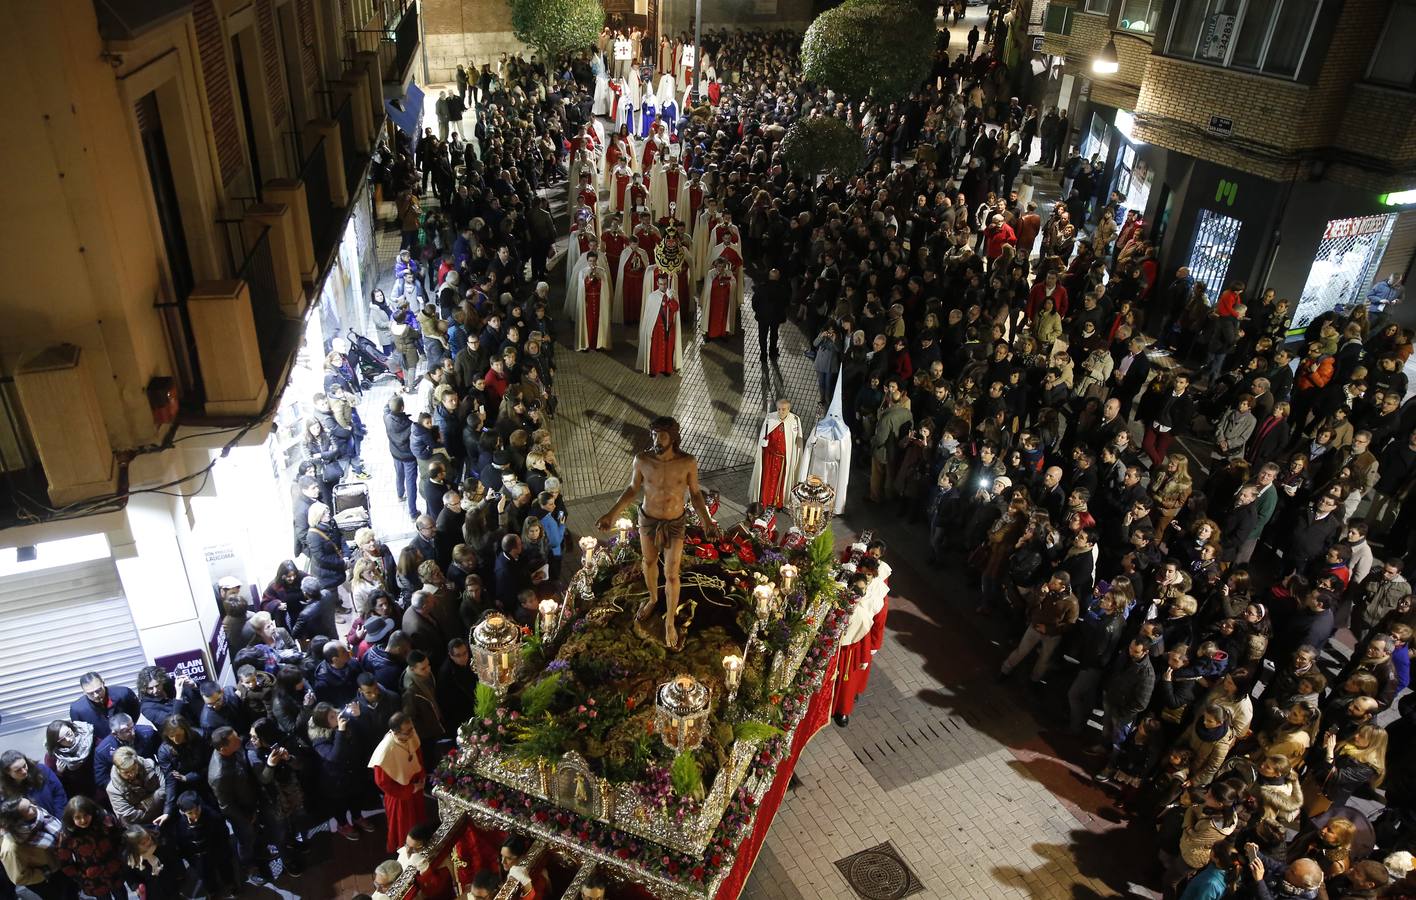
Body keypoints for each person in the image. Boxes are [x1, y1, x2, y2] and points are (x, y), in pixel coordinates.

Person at [595, 416, 720, 649]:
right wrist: (611, 514)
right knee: (649, 561)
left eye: (661, 435)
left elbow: (695, 494)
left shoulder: (687, 462)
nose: (656, 439)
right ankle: (653, 598)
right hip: (648, 519)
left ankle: (670, 622)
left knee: (672, 572)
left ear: (672, 437)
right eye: (653, 434)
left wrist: (707, 521)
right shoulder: (642, 460)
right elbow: (633, 489)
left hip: (675, 523)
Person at [370, 712, 427, 853]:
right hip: (401, 796)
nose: (412, 733)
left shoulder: (410, 734)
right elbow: (383, 783)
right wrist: (410, 789)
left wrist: (421, 777)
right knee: (404, 826)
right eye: (407, 732)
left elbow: (417, 755)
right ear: (395, 732)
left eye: (412, 728)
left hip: (416, 787)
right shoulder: (384, 751)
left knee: (419, 818)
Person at [54, 796, 126, 900]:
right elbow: (64, 861)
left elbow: (120, 836)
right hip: (93, 879)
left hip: (114, 870)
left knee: (121, 895)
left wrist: (120, 859)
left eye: (86, 815)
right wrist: (81, 876)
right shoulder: (67, 834)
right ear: (71, 818)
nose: (83, 820)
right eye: (78, 817)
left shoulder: (105, 820)